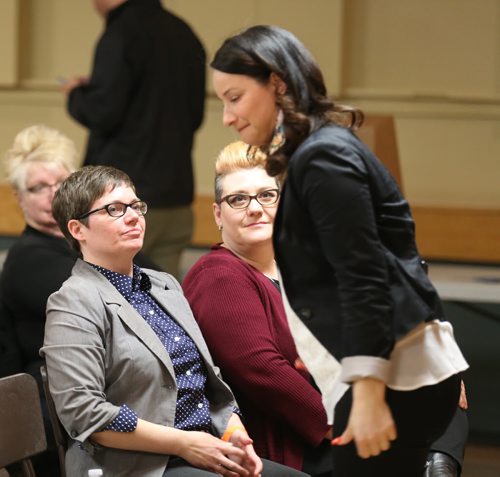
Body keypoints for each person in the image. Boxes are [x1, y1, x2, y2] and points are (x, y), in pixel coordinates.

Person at [210, 25, 469, 477]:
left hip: (389, 379)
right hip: (387, 372)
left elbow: (364, 276)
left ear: (277, 83)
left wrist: (367, 393)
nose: (227, 116)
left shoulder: (321, 156)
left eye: (234, 97)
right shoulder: (315, 151)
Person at [41, 165, 309, 477]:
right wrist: (184, 444)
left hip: (200, 450)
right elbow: (84, 412)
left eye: (135, 206)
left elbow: (209, 379)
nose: (132, 217)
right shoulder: (73, 301)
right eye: (114, 209)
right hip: (133, 465)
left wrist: (233, 433)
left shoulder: (163, 284)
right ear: (78, 229)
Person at [182, 141, 333, 476]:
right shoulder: (218, 275)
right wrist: (336, 422)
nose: (255, 208)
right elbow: (263, 371)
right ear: (218, 213)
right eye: (238, 199)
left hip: (339, 414)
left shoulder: (294, 269)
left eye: (267, 195)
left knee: (442, 401)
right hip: (285, 448)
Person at [62, 0, 206, 279]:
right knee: (162, 305)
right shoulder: (184, 33)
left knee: (109, 300)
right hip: (176, 199)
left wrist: (75, 95)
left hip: (122, 204)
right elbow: (195, 116)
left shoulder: (120, 34)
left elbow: (104, 111)